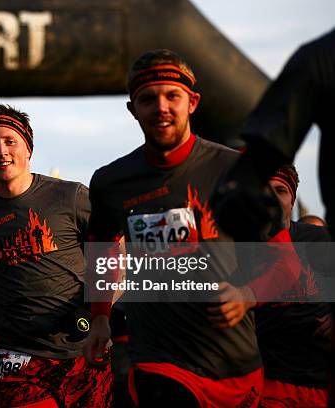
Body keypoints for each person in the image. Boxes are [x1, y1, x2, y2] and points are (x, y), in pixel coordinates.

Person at [84, 49, 266, 407]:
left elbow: (287, 262)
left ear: (193, 102)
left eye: (172, 96)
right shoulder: (111, 182)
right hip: (159, 363)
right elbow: (103, 250)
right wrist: (100, 317)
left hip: (236, 367)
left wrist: (247, 295)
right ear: (133, 109)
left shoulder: (235, 169)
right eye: (148, 99)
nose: (161, 107)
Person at [0, 104, 112, 407]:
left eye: (10, 141)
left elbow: (113, 254)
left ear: (28, 149)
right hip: (16, 355)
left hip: (83, 347)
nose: (1, 150)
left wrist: (99, 311)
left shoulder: (71, 197)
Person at [212, 28, 335, 239]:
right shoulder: (321, 59)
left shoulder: (319, 57)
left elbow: (253, 170)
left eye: (281, 191)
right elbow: (256, 165)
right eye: (273, 191)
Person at [256, 164, 331, 407]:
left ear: (292, 199)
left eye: (281, 191)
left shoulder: (317, 239)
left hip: (322, 380)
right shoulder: (238, 247)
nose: (273, 199)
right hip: (269, 384)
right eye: (265, 191)